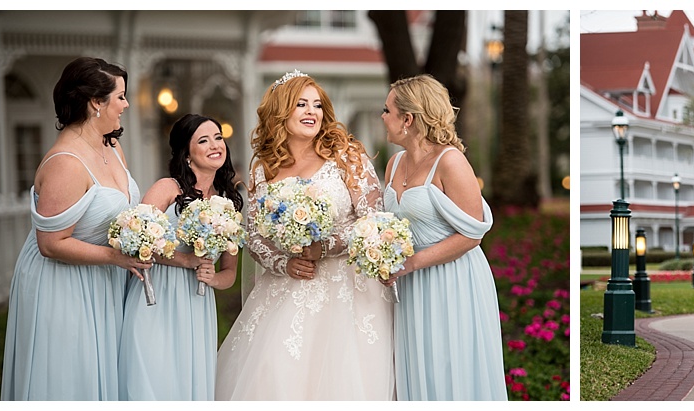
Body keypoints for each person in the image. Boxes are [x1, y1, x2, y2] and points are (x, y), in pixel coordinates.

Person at [215, 70, 394, 400]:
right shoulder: (263, 168)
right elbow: (253, 236)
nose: (312, 112)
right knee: (275, 373)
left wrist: (325, 246)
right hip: (290, 284)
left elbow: (374, 224)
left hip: (348, 290)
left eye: (317, 105)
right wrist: (284, 263)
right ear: (281, 111)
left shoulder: (347, 156)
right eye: (301, 104)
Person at [1, 56, 148, 400]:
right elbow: (51, 244)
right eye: (121, 97)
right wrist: (119, 257)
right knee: (71, 381)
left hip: (103, 279)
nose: (126, 105)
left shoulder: (111, 145)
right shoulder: (65, 163)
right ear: (96, 102)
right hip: (64, 285)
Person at [380, 74, 508, 400]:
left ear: (407, 119)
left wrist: (414, 261)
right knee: (417, 368)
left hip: (453, 280)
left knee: (451, 368)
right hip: (409, 285)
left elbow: (472, 234)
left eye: (387, 110)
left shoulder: (450, 161)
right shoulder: (394, 164)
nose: (382, 117)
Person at [118, 114, 241, 399]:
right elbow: (135, 243)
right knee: (152, 376)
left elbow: (229, 274)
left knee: (187, 383)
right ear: (187, 154)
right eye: (203, 140)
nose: (215, 145)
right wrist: (185, 260)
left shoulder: (228, 201)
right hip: (157, 296)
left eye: (218, 138)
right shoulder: (168, 189)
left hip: (197, 304)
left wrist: (213, 278)